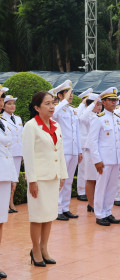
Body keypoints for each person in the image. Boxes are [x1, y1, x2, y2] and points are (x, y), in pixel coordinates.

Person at [22, 91, 68, 267]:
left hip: (53, 176)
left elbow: (60, 151)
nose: (51, 107)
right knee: (37, 216)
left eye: (53, 103)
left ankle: (44, 248)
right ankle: (35, 250)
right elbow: (29, 155)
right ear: (36, 107)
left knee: (49, 215)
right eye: (47, 104)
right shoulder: (31, 126)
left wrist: (62, 174)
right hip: (39, 179)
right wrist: (31, 180)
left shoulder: (56, 125)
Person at [88, 87, 120, 226]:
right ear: (103, 102)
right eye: (111, 100)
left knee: (112, 187)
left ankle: (108, 211)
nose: (114, 102)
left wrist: (119, 159)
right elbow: (93, 141)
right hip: (104, 160)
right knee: (101, 186)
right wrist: (97, 160)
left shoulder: (117, 119)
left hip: (115, 159)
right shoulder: (98, 119)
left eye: (115, 100)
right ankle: (99, 213)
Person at [52, 80, 82, 221]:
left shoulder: (73, 110)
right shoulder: (57, 109)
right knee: (61, 181)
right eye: (68, 93)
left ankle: (65, 208)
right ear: (60, 95)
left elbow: (77, 132)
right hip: (62, 150)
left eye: (72, 93)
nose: (71, 96)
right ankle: (57, 209)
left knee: (69, 181)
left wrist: (79, 151)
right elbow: (53, 114)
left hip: (73, 150)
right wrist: (62, 101)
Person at [0, 89, 18, 278]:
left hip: (3, 175)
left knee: (0, 221)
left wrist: (13, 176)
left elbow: (8, 150)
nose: (2, 101)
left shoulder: (3, 122)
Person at [79, 93, 102, 213]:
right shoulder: (89, 116)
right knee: (91, 178)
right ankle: (91, 204)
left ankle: (98, 203)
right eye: (97, 104)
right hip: (90, 151)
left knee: (100, 180)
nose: (99, 107)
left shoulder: (101, 116)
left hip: (101, 151)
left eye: (100, 104)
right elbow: (82, 118)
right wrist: (92, 103)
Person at [2, 95, 23, 213]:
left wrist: (24, 153)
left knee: (15, 180)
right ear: (3, 106)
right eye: (9, 103)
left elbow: (22, 136)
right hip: (7, 153)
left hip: (18, 152)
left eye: (13, 103)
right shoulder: (2, 119)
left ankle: (11, 202)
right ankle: (7, 203)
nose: (12, 106)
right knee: (7, 179)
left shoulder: (18, 119)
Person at [76, 88, 94, 202]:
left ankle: (88, 192)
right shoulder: (80, 110)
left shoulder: (92, 112)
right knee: (82, 169)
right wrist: (83, 103)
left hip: (91, 144)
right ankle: (81, 191)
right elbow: (79, 116)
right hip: (82, 143)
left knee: (90, 170)